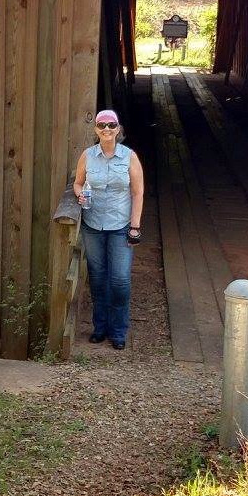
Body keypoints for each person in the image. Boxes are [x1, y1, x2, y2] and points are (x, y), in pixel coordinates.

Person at [73, 109, 144, 350]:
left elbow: (137, 192)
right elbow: (78, 182)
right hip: (93, 224)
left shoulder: (129, 157)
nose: (106, 129)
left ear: (118, 129)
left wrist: (135, 226)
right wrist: (79, 194)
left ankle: (118, 330)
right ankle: (100, 327)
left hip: (120, 225)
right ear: (95, 129)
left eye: (111, 125)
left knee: (120, 280)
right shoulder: (87, 155)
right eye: (101, 125)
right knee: (98, 278)